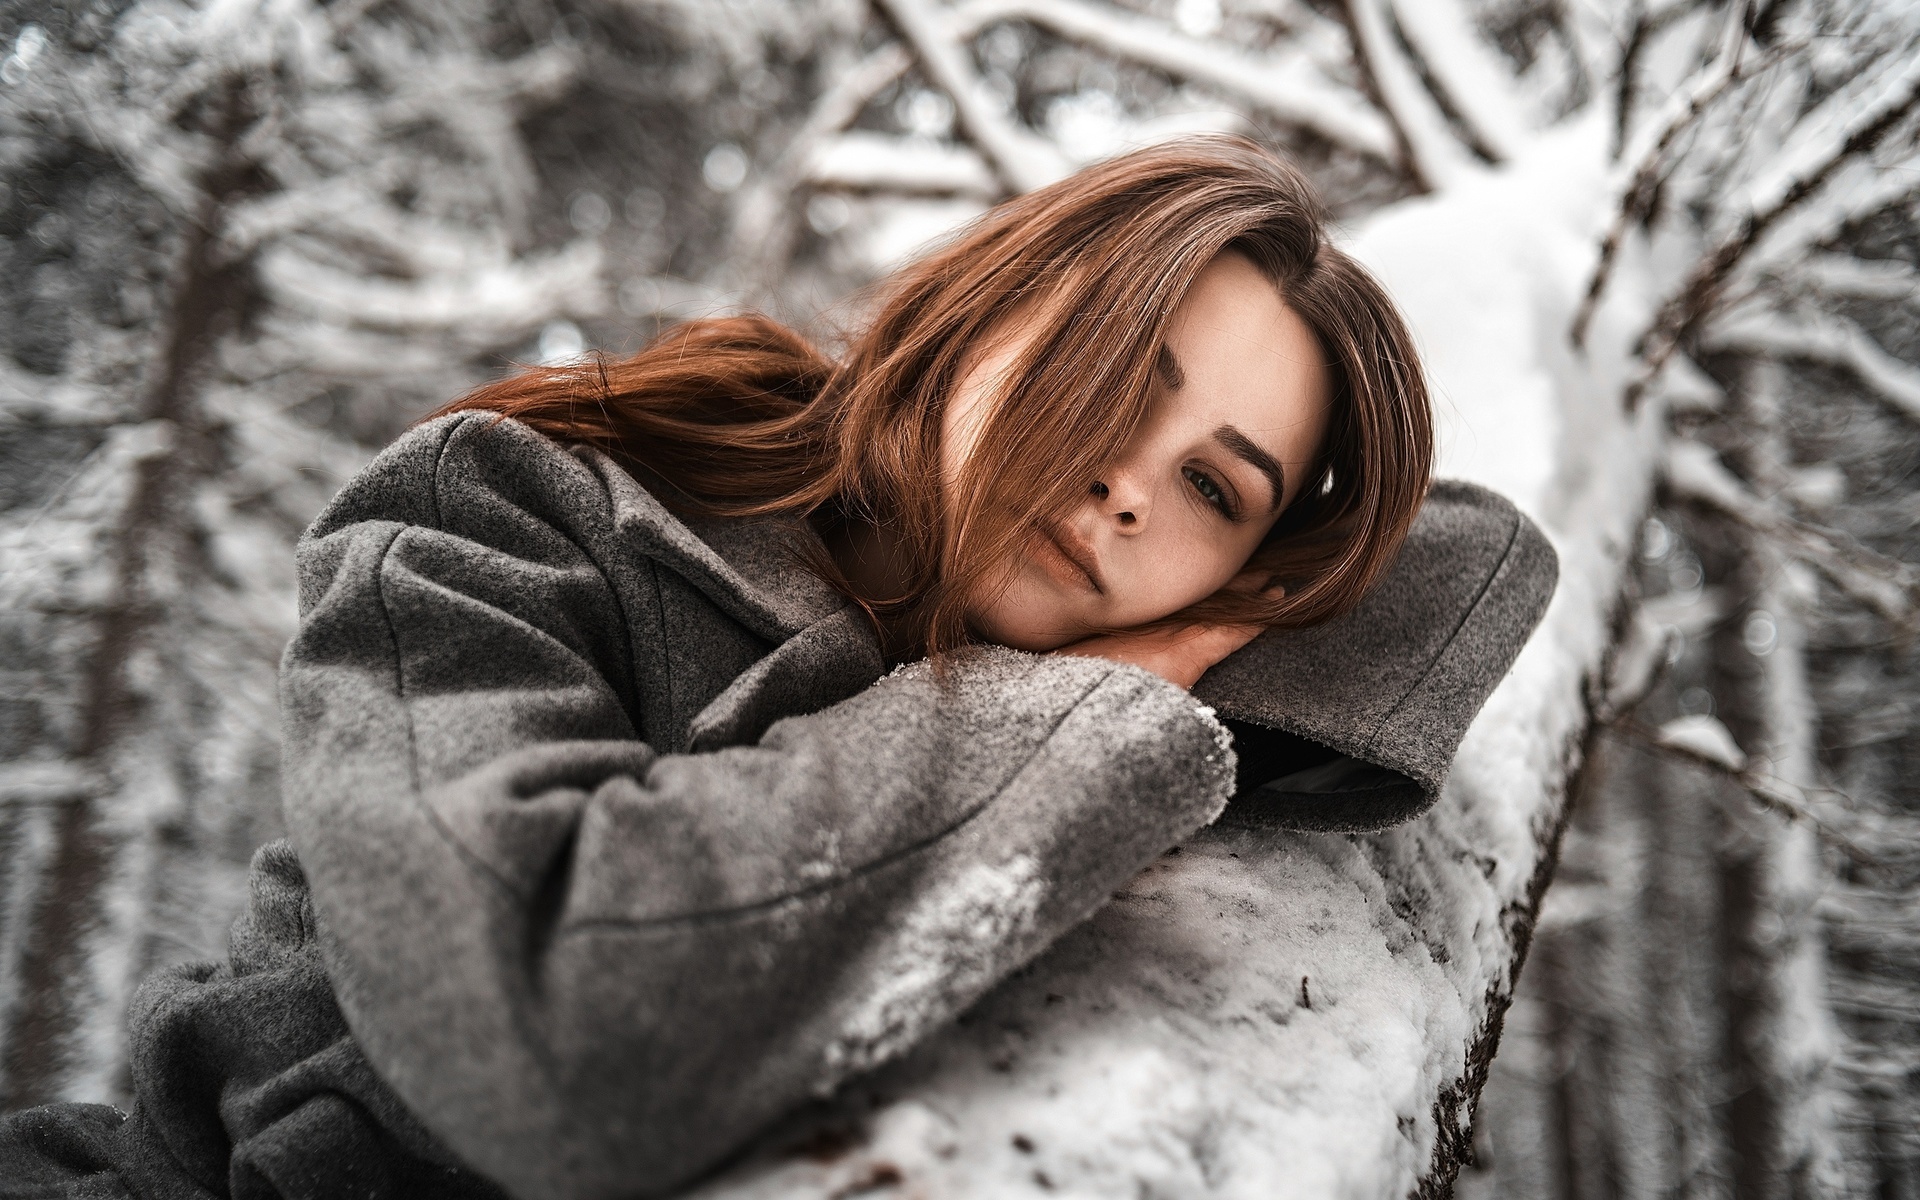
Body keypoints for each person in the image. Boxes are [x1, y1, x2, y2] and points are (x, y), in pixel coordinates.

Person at [2, 137, 1521, 1200]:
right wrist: (1090, 706)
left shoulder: (1149, 626)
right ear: (985, 308)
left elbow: (1481, 556)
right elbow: (545, 1033)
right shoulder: (512, 510)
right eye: (1117, 369)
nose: (1130, 481)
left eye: (1218, 489)